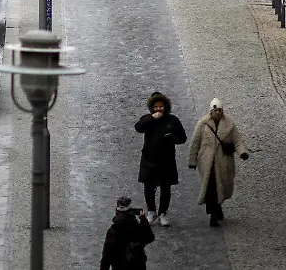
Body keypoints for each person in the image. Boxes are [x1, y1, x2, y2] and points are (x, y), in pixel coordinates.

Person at [189, 98, 249, 226]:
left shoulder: (229, 124)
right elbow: (195, 143)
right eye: (216, 110)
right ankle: (213, 214)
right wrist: (192, 160)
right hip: (207, 162)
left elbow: (237, 139)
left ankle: (218, 206)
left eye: (220, 110)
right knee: (211, 188)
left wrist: (242, 152)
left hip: (223, 161)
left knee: (223, 185)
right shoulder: (203, 124)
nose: (218, 112)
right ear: (211, 111)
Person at [135, 91, 187, 226]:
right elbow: (138, 127)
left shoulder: (173, 120)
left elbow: (182, 138)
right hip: (149, 159)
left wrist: (170, 138)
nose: (159, 109)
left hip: (166, 160)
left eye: (161, 106)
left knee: (165, 188)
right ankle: (151, 211)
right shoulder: (147, 119)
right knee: (148, 187)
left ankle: (163, 213)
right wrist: (152, 118)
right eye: (156, 106)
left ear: (166, 107)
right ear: (152, 107)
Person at [99, 196, 155, 270]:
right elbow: (149, 238)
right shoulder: (137, 227)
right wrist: (143, 219)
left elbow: (106, 257)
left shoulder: (113, 231)